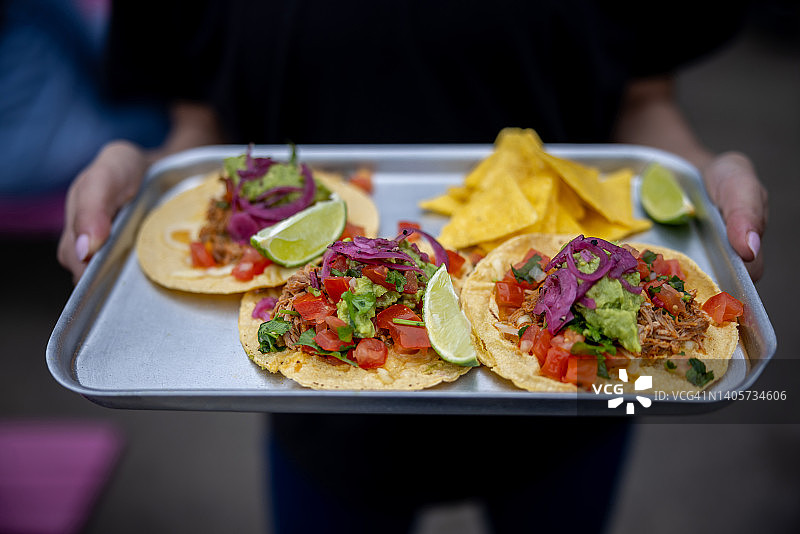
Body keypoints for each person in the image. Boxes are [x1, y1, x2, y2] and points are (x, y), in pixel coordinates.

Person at [56, 2, 767, 533]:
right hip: (324, 426)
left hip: (585, 402)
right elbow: (200, 130)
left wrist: (704, 175)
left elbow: (644, 102)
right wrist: (148, 174)